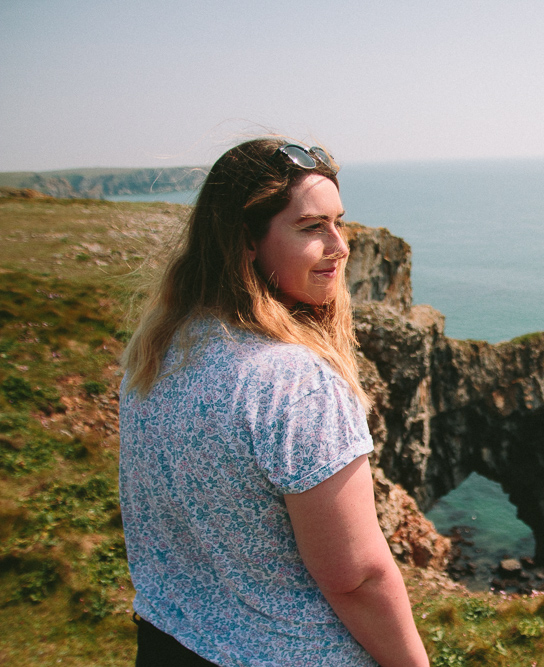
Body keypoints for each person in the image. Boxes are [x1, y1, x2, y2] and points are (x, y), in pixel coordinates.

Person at [118, 138, 430, 667]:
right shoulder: (293, 383)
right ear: (244, 241)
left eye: (339, 222)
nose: (339, 245)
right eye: (312, 227)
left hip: (169, 644)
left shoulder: (158, 351)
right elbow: (356, 576)